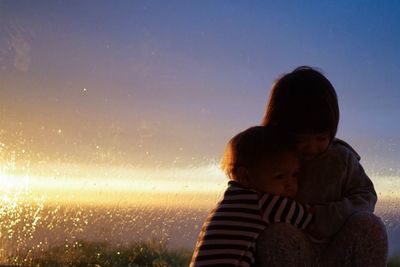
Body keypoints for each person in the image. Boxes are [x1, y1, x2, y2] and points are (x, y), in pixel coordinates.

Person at [256, 66, 388, 266]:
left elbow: (366, 195)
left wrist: (328, 215)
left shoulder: (341, 159)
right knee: (275, 235)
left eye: (321, 137)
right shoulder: (271, 163)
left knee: (370, 226)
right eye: (301, 139)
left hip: (338, 248)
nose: (312, 147)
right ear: (279, 129)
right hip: (296, 252)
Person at [190, 126, 314, 267]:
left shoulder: (231, 200)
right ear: (245, 177)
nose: (291, 184)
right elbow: (308, 218)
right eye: (280, 177)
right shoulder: (262, 202)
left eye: (295, 175)